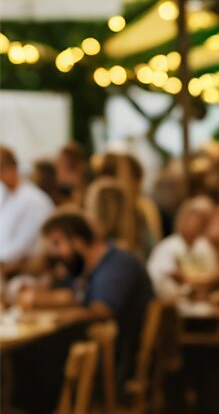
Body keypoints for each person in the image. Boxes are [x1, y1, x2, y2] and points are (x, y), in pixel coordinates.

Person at [24, 209, 154, 392]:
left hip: (120, 361)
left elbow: (102, 310)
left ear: (77, 241)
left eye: (57, 243)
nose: (55, 252)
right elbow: (68, 293)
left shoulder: (116, 264)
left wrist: (68, 316)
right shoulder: (90, 268)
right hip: (111, 354)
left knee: (38, 350)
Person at [146, 196, 218, 300]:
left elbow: (213, 277)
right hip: (174, 304)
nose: (196, 223)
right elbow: (162, 281)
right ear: (183, 218)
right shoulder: (168, 247)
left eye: (203, 220)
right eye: (193, 218)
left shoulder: (205, 248)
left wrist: (190, 279)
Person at [0, 145, 54, 276]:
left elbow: (22, 245)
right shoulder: (5, 195)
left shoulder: (34, 201)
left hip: (28, 271)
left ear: (11, 168)